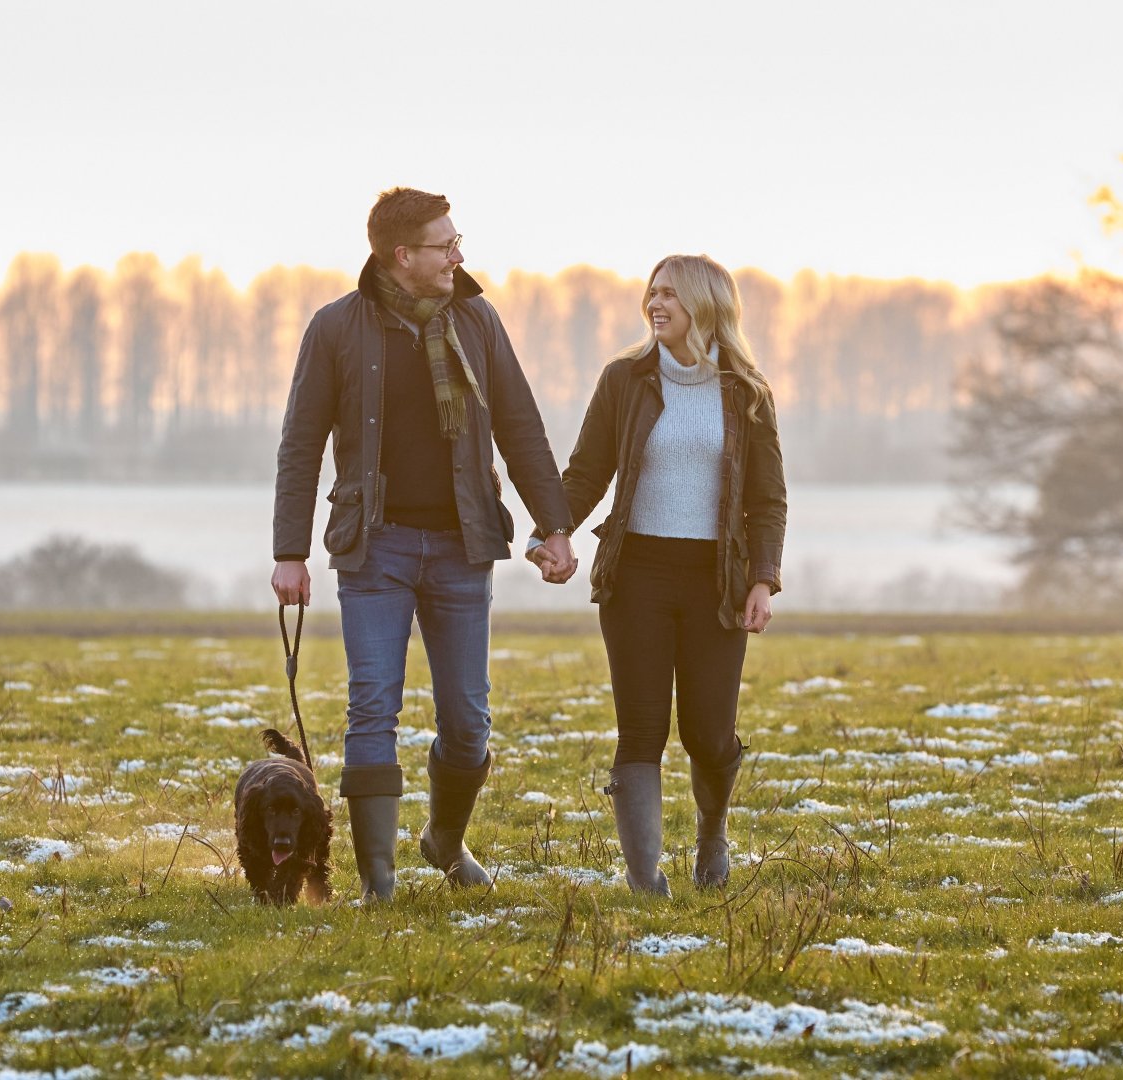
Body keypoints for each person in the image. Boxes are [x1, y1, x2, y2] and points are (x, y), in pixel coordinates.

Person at [272, 187, 578, 900]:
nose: (459, 256)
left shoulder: (477, 320)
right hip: (373, 548)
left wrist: (554, 526)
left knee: (468, 721)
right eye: (445, 245)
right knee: (372, 705)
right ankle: (378, 883)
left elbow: (522, 428)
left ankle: (443, 838)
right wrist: (290, 550)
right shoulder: (335, 329)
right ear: (401, 255)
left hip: (461, 547)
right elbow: (300, 445)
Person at [530, 254, 786, 895]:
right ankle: (645, 879)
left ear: (706, 305)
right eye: (652, 292)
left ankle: (712, 833)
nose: (656, 303)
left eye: (670, 294)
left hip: (715, 583)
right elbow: (587, 471)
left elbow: (768, 498)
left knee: (708, 731)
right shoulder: (625, 379)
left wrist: (763, 577)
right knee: (640, 728)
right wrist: (550, 531)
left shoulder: (746, 392)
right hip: (637, 575)